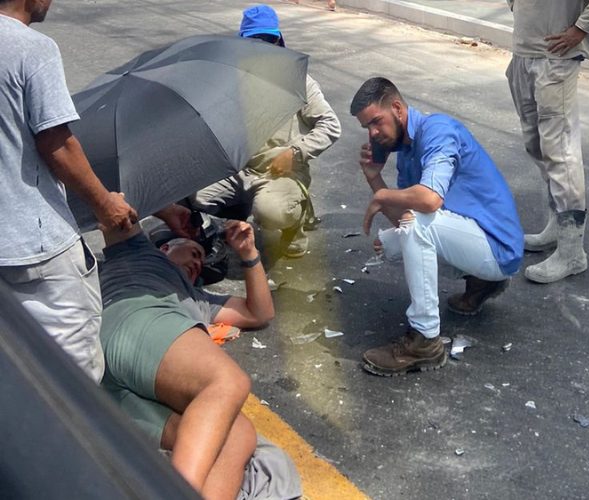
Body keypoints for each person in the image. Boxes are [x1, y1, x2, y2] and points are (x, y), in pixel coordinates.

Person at [0, 0, 138, 382]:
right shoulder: (32, 47)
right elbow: (57, 143)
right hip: (35, 247)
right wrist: (104, 203)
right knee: (74, 376)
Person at [350, 77, 524, 376]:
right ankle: (483, 283)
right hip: (475, 240)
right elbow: (404, 222)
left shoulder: (438, 131)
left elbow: (428, 202)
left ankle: (425, 340)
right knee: (388, 244)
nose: (373, 133)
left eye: (377, 122)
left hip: (498, 247)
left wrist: (383, 195)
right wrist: (373, 177)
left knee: (418, 224)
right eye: (367, 127)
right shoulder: (406, 154)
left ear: (397, 108)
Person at [98, 204, 274, 499]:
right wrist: (166, 210)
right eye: (193, 252)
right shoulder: (137, 251)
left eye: (202, 260)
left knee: (237, 434)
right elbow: (112, 202)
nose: (198, 262)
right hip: (129, 318)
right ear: (165, 246)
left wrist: (248, 254)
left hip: (107, 385)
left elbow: (260, 313)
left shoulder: (198, 300)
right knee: (227, 382)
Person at [192, 4, 341, 261]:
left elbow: (331, 125)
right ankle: (239, 209)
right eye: (254, 41)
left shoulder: (299, 81)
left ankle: (296, 221)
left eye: (268, 39)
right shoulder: (232, 81)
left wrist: (295, 153)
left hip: (281, 170)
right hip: (240, 169)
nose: (262, 46)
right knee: (194, 195)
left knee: (272, 212)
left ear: (278, 41)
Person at [506, 0, 589, 283]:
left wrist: (581, 28)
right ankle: (557, 227)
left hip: (556, 58)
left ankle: (572, 251)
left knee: (560, 152)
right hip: (523, 51)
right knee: (536, 144)